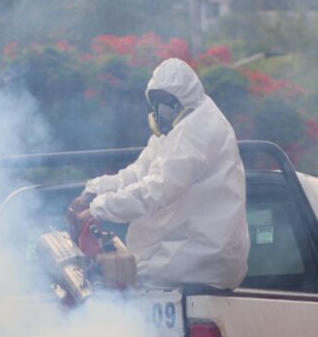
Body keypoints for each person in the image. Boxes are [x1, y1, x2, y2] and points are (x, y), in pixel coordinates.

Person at [69, 58, 249, 289]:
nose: (158, 111)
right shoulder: (177, 127)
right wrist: (94, 190)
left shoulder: (199, 130)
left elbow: (156, 190)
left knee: (114, 286)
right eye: (154, 103)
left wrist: (98, 210)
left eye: (164, 102)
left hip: (201, 260)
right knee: (118, 278)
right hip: (182, 253)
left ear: (182, 99)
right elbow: (138, 173)